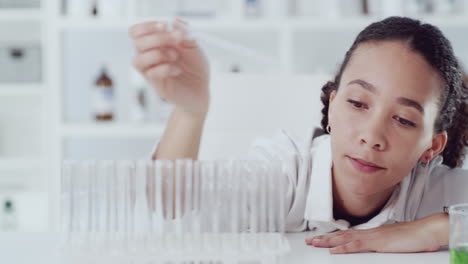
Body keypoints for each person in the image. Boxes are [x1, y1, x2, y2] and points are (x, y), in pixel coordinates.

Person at [129, 16, 468, 254]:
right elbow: (171, 211)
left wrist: (436, 229)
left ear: (432, 145)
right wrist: (190, 111)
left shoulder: (441, 191)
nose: (372, 136)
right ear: (332, 107)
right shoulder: (285, 173)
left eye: (404, 120)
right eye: (358, 103)